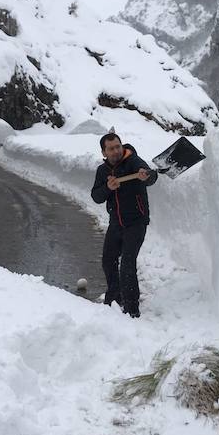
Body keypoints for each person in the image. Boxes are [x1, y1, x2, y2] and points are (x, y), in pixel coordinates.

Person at [90, 131, 158, 318]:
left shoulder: (134, 162)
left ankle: (131, 309)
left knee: (127, 264)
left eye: (118, 146)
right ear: (104, 153)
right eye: (111, 149)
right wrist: (107, 188)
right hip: (116, 222)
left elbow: (151, 176)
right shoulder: (102, 171)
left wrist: (146, 176)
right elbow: (96, 196)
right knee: (108, 261)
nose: (116, 151)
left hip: (136, 222)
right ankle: (114, 299)